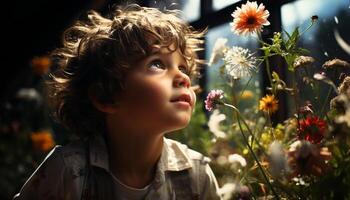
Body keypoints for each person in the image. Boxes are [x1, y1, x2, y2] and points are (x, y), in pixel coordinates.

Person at [13, 3, 222, 200]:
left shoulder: (197, 174)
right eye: (157, 64)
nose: (183, 78)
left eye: (183, 68)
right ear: (106, 97)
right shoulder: (66, 171)